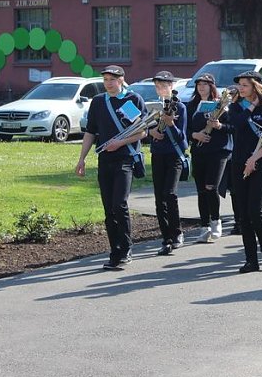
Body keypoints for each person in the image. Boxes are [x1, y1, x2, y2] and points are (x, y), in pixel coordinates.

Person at [75, 65, 147, 270]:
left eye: (112, 79)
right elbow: (90, 132)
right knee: (108, 209)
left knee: (119, 204)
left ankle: (126, 248)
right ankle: (114, 251)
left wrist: (120, 143)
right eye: (105, 79)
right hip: (104, 160)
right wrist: (81, 159)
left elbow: (142, 132)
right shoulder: (98, 102)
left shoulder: (132, 100)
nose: (108, 83)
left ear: (122, 80)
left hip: (125, 159)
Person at [228, 71, 262, 273]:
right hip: (239, 163)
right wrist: (250, 106)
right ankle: (250, 259)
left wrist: (254, 159)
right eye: (239, 85)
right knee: (244, 215)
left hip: (260, 163)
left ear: (255, 86)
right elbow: (236, 124)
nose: (241, 88)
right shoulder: (235, 107)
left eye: (245, 85)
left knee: (256, 211)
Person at [187, 73, 232, 243]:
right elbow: (185, 128)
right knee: (201, 189)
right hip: (199, 151)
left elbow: (232, 127)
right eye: (199, 83)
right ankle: (204, 226)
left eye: (205, 84)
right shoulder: (191, 105)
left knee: (211, 187)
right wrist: (195, 135)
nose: (202, 86)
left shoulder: (222, 104)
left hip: (218, 151)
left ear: (212, 86)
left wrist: (219, 126)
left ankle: (216, 220)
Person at [147, 71, 188, 256]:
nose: (161, 88)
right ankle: (166, 238)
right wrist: (151, 133)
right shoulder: (153, 107)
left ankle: (177, 232)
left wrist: (171, 124)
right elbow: (143, 128)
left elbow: (182, 138)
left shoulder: (180, 107)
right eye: (158, 85)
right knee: (159, 198)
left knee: (169, 193)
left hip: (174, 155)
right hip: (157, 155)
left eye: (164, 85)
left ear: (172, 86)